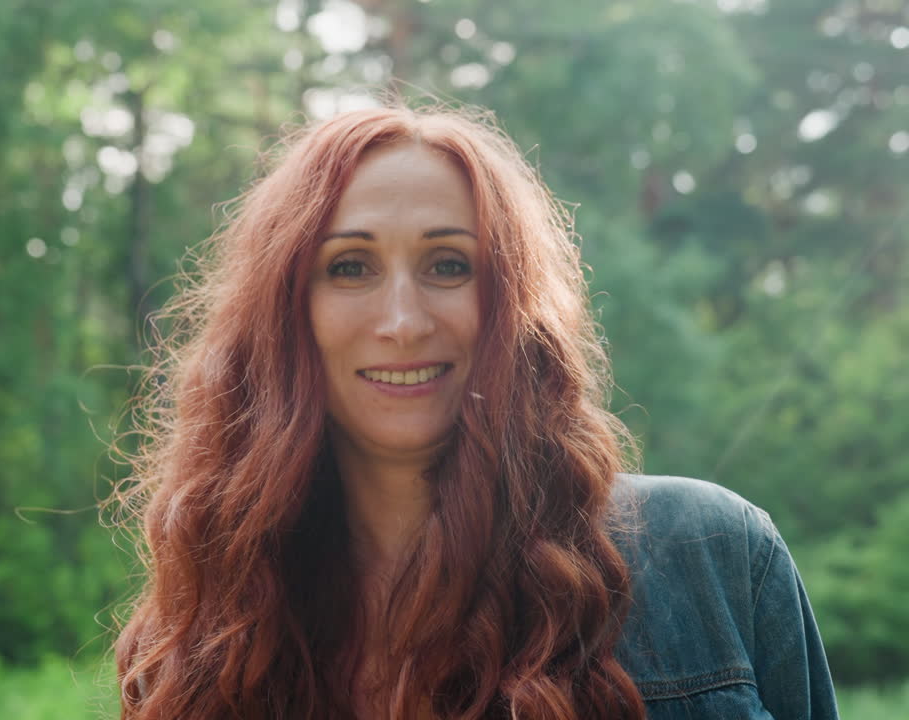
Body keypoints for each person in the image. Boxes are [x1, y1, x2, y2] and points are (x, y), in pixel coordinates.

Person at [111, 105, 839, 719]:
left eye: (449, 265)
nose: (403, 321)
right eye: (350, 267)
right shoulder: (200, 644)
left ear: (511, 307)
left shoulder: (711, 556)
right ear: (284, 315)